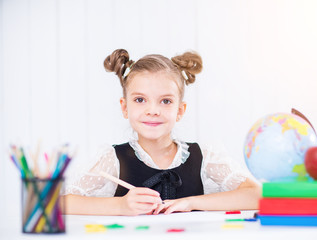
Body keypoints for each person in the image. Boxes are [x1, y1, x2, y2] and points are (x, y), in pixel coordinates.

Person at [61, 49, 261, 216]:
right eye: (140, 100)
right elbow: (59, 202)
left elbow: (257, 196)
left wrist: (191, 203)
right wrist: (121, 206)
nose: (153, 110)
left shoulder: (203, 157)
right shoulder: (113, 159)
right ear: (124, 107)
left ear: (180, 110)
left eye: (165, 101)